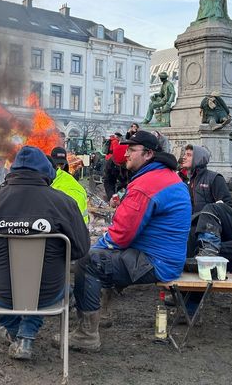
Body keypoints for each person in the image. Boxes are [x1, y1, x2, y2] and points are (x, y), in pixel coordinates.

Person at [0, 146, 90, 360]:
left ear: (12, 171)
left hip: (2, 293)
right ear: (47, 173)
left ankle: (14, 330)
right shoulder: (65, 203)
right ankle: (26, 335)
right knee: (58, 279)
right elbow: (81, 249)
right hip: (50, 293)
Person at [68, 131, 191, 351]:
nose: (126, 155)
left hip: (156, 262)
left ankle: (86, 335)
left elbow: (121, 235)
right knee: (102, 256)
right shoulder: (164, 175)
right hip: (163, 257)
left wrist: (92, 248)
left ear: (148, 154)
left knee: (88, 262)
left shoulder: (148, 183)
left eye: (132, 150)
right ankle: (102, 313)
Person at [181, 143, 232, 258]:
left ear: (198, 158)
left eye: (189, 155)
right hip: (187, 225)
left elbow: (228, 206)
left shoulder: (214, 178)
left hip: (208, 228)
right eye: (184, 154)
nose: (184, 157)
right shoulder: (182, 180)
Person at [48, 146, 88, 224]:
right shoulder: (52, 180)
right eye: (57, 164)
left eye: (61, 164)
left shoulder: (71, 186)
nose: (59, 167)